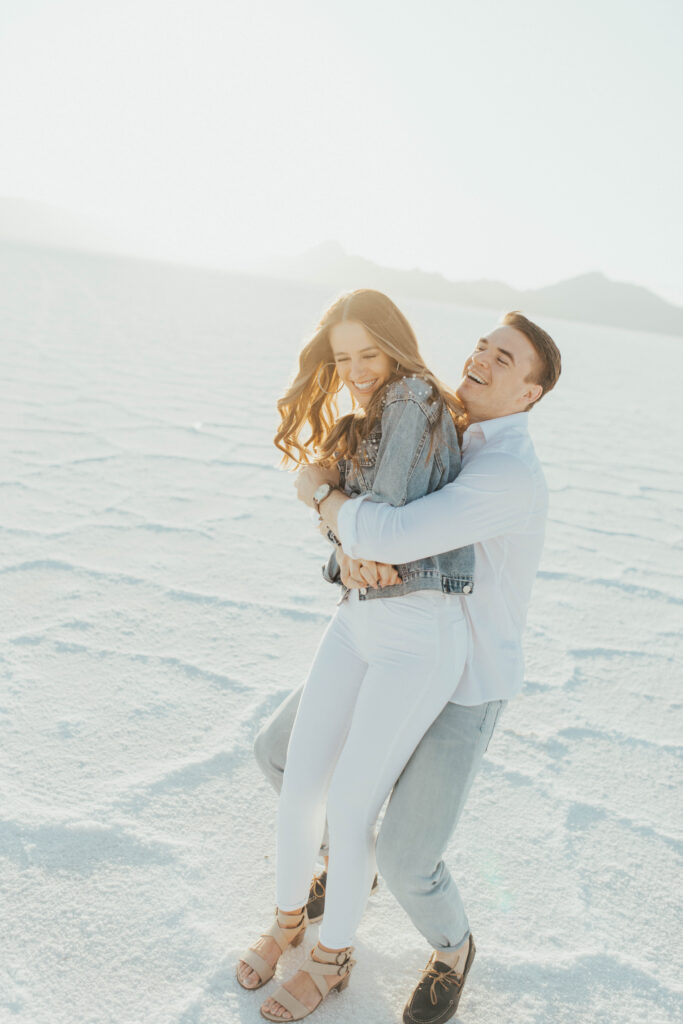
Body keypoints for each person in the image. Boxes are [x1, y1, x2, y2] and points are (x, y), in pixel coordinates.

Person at [254, 311, 562, 1023]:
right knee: (278, 756)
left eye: (505, 358)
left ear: (529, 395)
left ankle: (452, 948)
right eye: (482, 345)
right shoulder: (442, 426)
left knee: (406, 857)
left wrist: (320, 495)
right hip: (384, 635)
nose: (482, 357)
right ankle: (344, 866)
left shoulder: (508, 473)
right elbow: (366, 535)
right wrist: (338, 536)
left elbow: (391, 530)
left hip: (463, 681)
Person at [236, 289, 477, 1022]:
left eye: (368, 353)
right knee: (301, 784)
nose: (357, 370)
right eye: (343, 359)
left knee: (347, 805)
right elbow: (351, 524)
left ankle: (333, 957)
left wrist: (330, 512)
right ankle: (286, 925)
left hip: (417, 634)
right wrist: (340, 533)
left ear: (395, 348)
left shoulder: (413, 397)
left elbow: (382, 518)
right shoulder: (361, 416)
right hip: (357, 620)